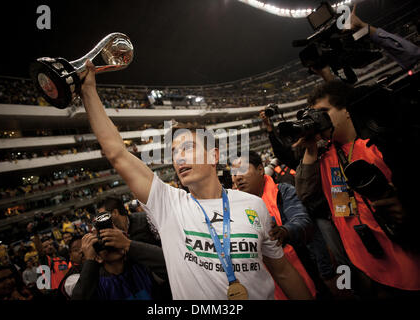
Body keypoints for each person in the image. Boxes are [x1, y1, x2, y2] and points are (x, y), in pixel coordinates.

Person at [78, 60, 313, 300]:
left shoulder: (254, 205)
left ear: (213, 155)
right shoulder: (167, 205)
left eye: (188, 148)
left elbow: (283, 272)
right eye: (174, 152)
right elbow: (116, 153)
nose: (179, 157)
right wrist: (88, 90)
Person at [295, 80, 420, 298]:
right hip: (365, 266)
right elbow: (305, 195)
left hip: (406, 265)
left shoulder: (379, 143)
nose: (318, 121)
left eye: (324, 112)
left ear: (347, 111)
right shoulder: (325, 156)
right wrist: (311, 151)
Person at [231, 151, 317, 300]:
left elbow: (302, 221)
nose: (238, 177)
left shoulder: (283, 192)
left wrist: (283, 231)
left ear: (260, 169)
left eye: (243, 170)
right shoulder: (232, 207)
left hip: (302, 274)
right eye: (234, 173)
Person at [71, 224, 170, 300]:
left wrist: (128, 244)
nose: (112, 243)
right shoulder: (97, 285)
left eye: (113, 236)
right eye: (104, 241)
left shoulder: (142, 268)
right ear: (98, 257)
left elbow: (171, 266)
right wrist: (90, 261)